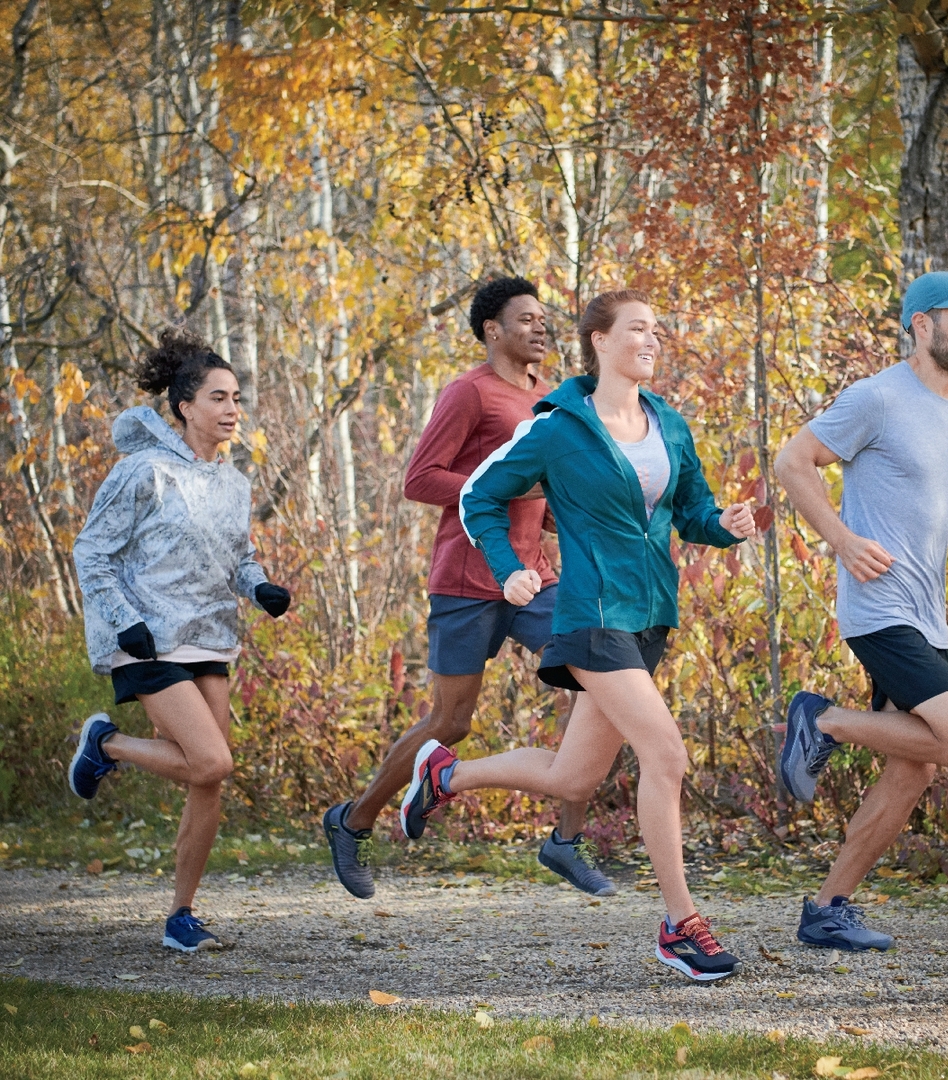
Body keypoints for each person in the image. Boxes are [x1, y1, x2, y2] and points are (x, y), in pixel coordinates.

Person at [399, 289, 757, 982]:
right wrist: (508, 569)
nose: (652, 339)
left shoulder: (669, 425)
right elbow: (478, 494)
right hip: (592, 615)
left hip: (650, 614)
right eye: (638, 328)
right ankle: (680, 925)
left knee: (574, 775)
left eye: (658, 328)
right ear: (600, 340)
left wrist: (727, 525)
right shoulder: (558, 427)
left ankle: (448, 774)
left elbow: (692, 512)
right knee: (666, 754)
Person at [322, 276, 616, 900]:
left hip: (535, 578)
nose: (541, 328)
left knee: (606, 681)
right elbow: (420, 479)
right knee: (450, 722)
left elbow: (546, 489)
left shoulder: (553, 401)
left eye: (544, 319)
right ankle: (352, 820)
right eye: (527, 319)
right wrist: (507, 488)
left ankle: (564, 840)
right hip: (468, 578)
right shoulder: (468, 393)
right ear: (492, 330)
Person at [775, 271, 948, 952]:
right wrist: (841, 540)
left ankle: (828, 909)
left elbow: (942, 515)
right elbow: (793, 461)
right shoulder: (878, 397)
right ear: (922, 325)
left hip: (928, 614)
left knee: (914, 767)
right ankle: (822, 718)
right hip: (880, 607)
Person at [68, 329, 291, 953]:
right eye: (218, 397)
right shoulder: (142, 471)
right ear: (184, 406)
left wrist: (260, 586)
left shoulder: (233, 482)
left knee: (207, 779)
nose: (231, 410)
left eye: (237, 398)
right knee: (214, 759)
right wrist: (121, 619)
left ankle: (180, 917)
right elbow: (92, 553)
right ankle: (106, 743)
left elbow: (238, 556)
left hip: (209, 637)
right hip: (144, 637)